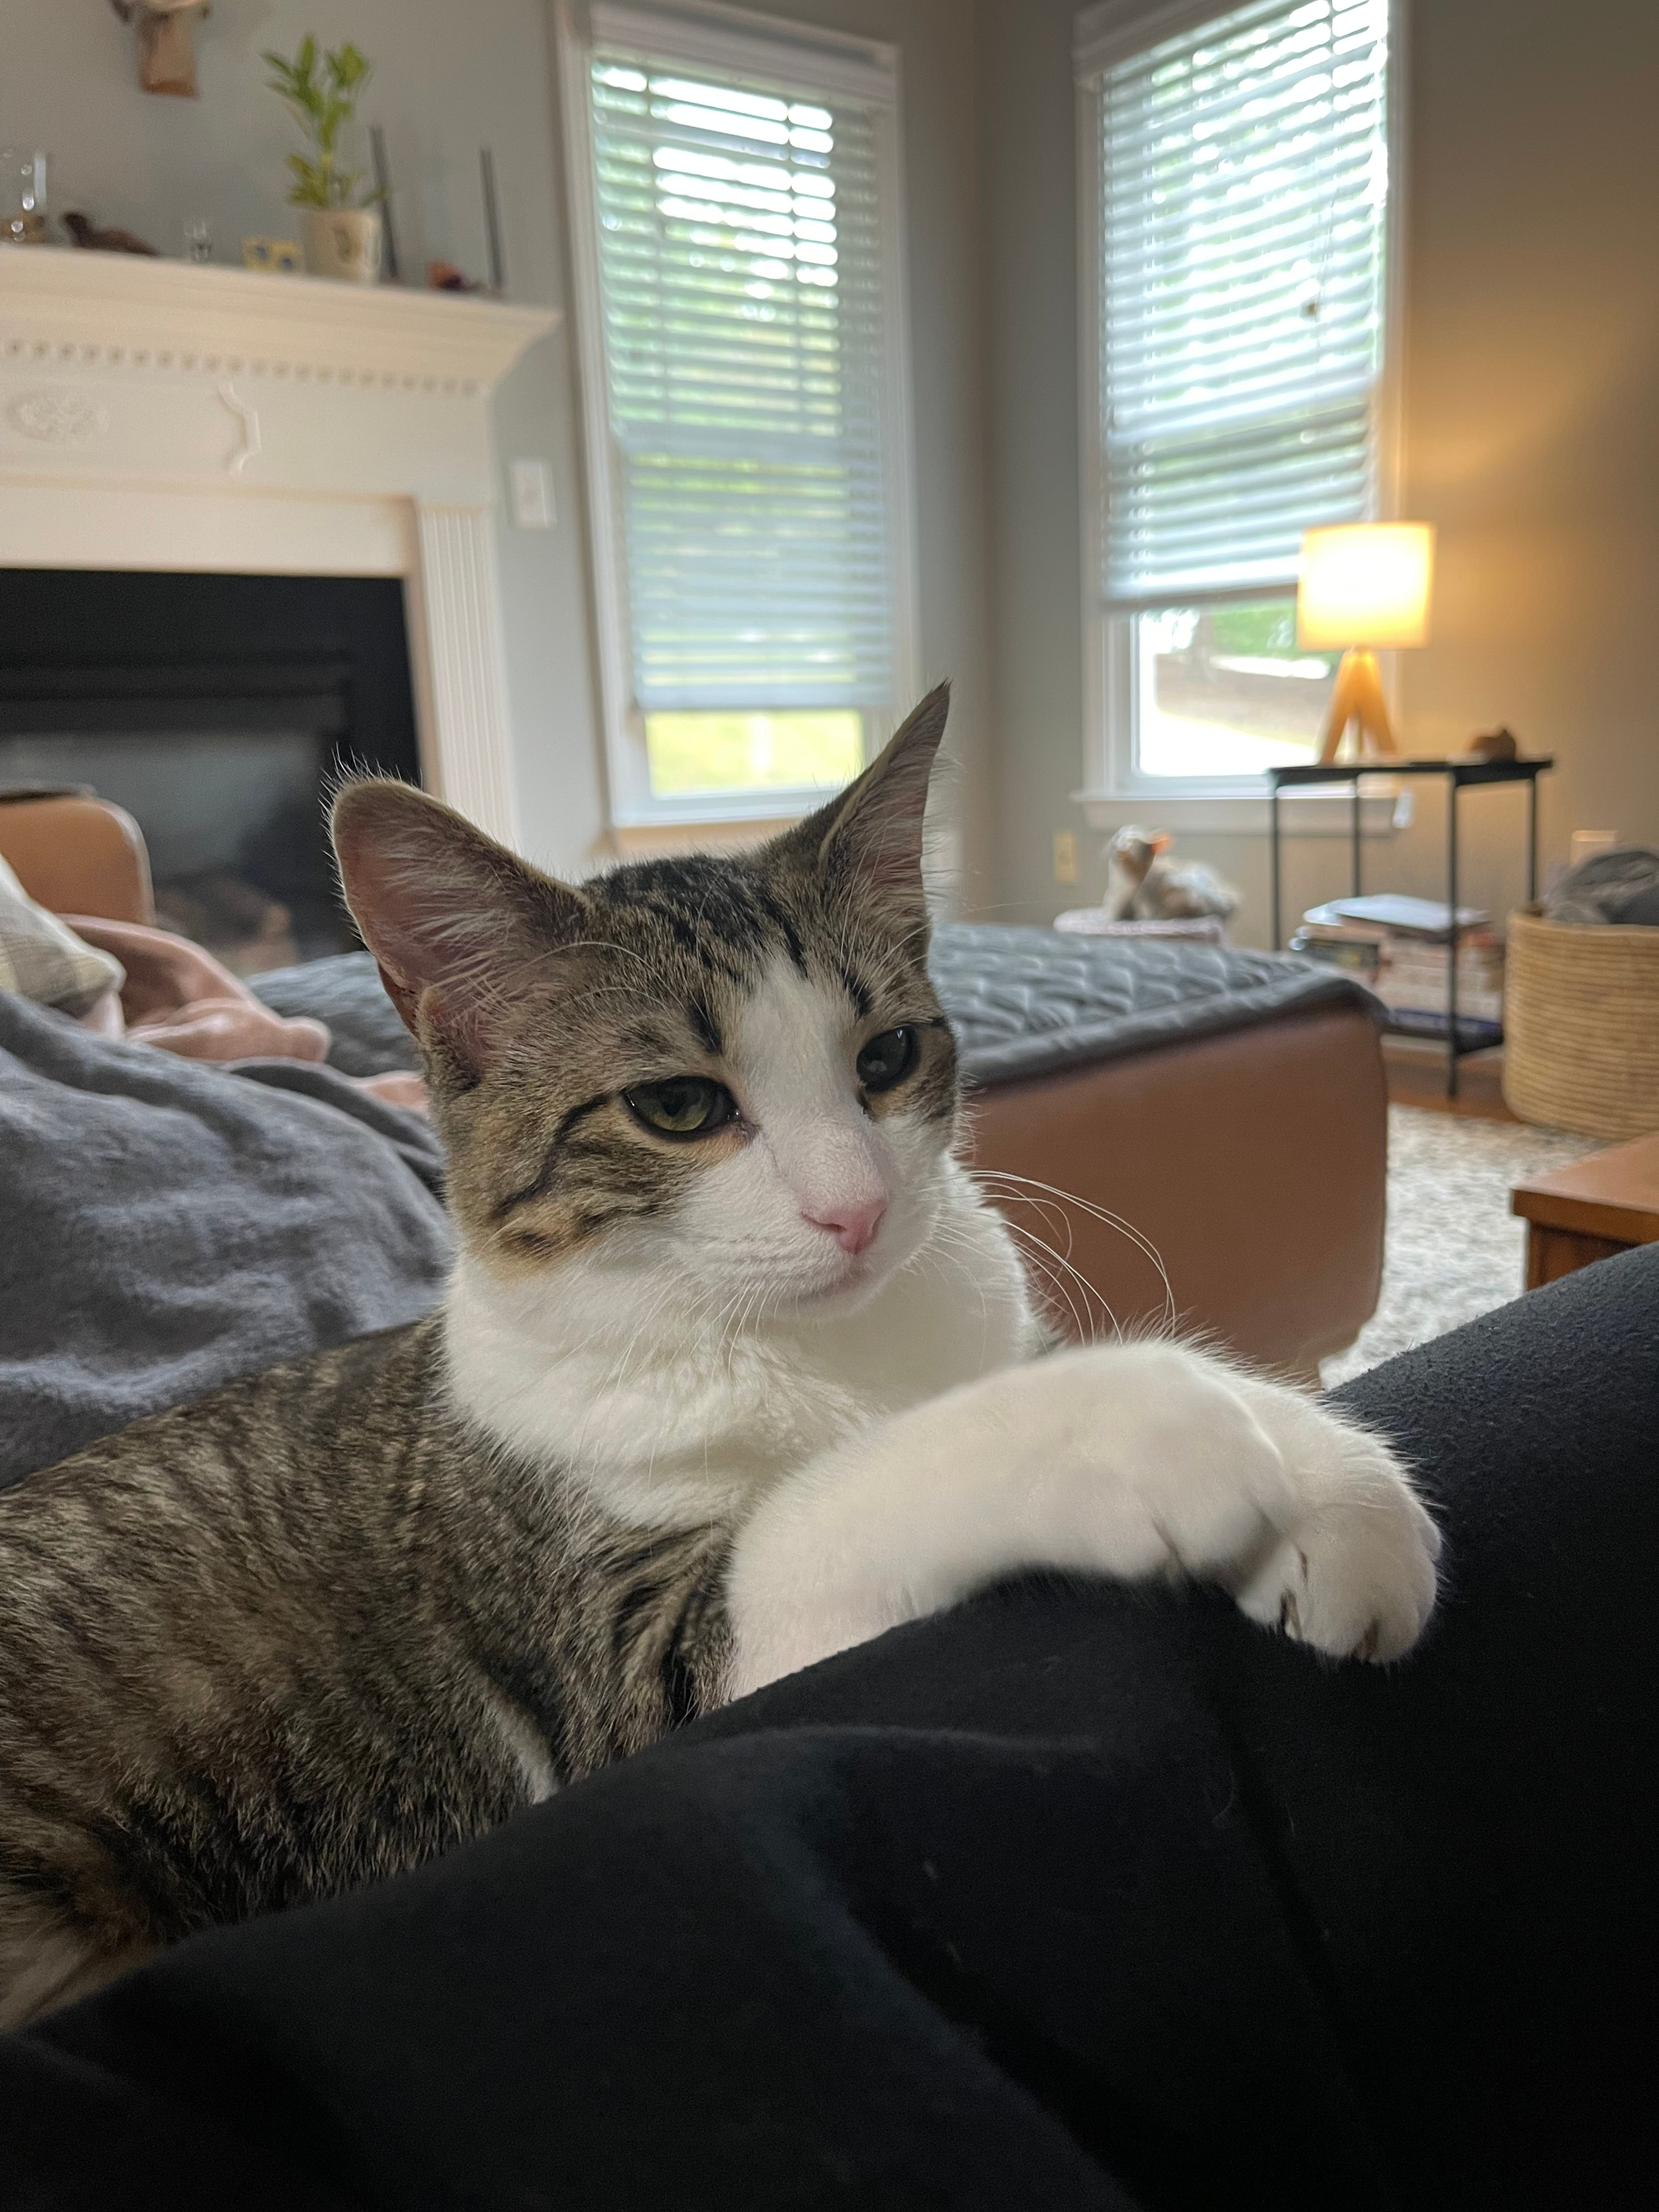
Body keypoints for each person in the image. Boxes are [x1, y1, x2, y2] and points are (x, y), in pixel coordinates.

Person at [3, 1246, 1654, 2211]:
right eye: (683, 1104)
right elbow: (692, 1688)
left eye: (880, 1062)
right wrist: (1062, 1438)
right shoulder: (528, 1399)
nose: (843, 1191)